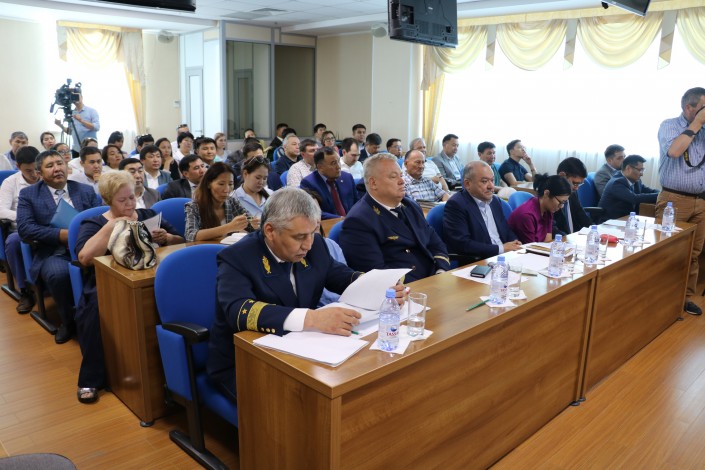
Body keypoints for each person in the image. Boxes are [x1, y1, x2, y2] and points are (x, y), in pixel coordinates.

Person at [207, 186, 405, 401]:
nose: (309, 245)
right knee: (303, 403)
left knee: (358, 386)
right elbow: (239, 311)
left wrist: (379, 287)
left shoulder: (315, 244)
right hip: (246, 362)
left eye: (313, 232)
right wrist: (312, 318)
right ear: (270, 231)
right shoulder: (238, 257)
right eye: (300, 237)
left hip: (302, 351)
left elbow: (338, 275)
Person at [74, 171, 183, 404]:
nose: (129, 204)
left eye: (132, 197)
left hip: (150, 277)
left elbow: (181, 240)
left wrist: (166, 238)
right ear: (108, 200)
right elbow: (84, 258)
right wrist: (112, 226)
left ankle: (172, 375)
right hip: (106, 284)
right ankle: (90, 379)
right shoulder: (93, 222)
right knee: (93, 312)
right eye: (122, 200)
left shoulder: (147, 215)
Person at [17, 150, 102, 344]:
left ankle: (100, 317)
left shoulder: (85, 190)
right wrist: (61, 235)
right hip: (53, 251)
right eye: (50, 166)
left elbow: (98, 219)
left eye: (60, 163)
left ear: (67, 167)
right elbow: (25, 229)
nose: (57, 169)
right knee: (59, 275)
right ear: (39, 172)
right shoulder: (29, 194)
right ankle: (69, 321)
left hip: (87, 245)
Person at [339, 153, 450, 282]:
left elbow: (435, 242)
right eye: (393, 177)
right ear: (373, 183)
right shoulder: (359, 221)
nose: (402, 181)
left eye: (401, 175)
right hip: (404, 288)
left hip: (434, 278)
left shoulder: (411, 206)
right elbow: (376, 275)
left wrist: (440, 271)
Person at [657, 87, 705, 316]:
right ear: (689, 108)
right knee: (666, 252)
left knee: (693, 254)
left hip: (701, 201)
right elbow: (675, 152)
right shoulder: (669, 125)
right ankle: (659, 298)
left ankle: (685, 298)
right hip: (673, 200)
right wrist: (697, 124)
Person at [444, 161, 521, 262]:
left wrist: (515, 242)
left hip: (505, 258)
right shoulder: (456, 204)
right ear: (467, 184)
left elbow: (506, 230)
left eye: (492, 181)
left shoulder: (495, 201)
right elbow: (463, 244)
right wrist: (501, 248)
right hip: (480, 261)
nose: (491, 186)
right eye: (484, 181)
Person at [0, 146, 40, 313]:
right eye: (28, 170)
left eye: (36, 169)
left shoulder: (47, 177)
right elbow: (1, 210)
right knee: (13, 242)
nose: (34, 174)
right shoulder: (11, 182)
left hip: (47, 226)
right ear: (18, 167)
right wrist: (24, 217)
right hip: (21, 229)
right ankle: (25, 291)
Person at [184, 162, 256, 242]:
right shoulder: (193, 206)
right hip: (205, 249)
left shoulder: (232, 202)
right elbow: (191, 235)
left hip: (228, 248)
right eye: (221, 184)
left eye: (230, 184)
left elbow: (250, 222)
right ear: (208, 184)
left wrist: (256, 224)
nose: (226, 190)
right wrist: (229, 227)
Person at [508, 173, 572, 243]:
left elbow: (547, 241)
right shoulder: (527, 215)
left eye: (564, 203)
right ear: (546, 193)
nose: (561, 206)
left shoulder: (548, 209)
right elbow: (530, 247)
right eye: (560, 202)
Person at [300, 147, 359, 219]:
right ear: (320, 167)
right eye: (333, 163)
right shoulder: (309, 183)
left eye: (338, 161)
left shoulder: (347, 177)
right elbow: (314, 212)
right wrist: (341, 219)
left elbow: (357, 203)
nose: (338, 167)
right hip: (329, 223)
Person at [598, 155, 658, 222]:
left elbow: (650, 191)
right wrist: (660, 196)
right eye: (640, 170)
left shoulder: (636, 181)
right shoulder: (616, 182)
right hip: (610, 221)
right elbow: (634, 198)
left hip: (626, 220)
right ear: (628, 168)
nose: (642, 174)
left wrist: (662, 194)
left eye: (643, 170)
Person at [553, 157, 592, 237]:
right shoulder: (551, 196)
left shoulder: (573, 193)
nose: (576, 188)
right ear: (562, 176)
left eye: (579, 184)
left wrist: (594, 230)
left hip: (573, 238)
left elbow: (581, 215)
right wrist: (568, 239)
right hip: (561, 239)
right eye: (575, 183)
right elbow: (552, 229)